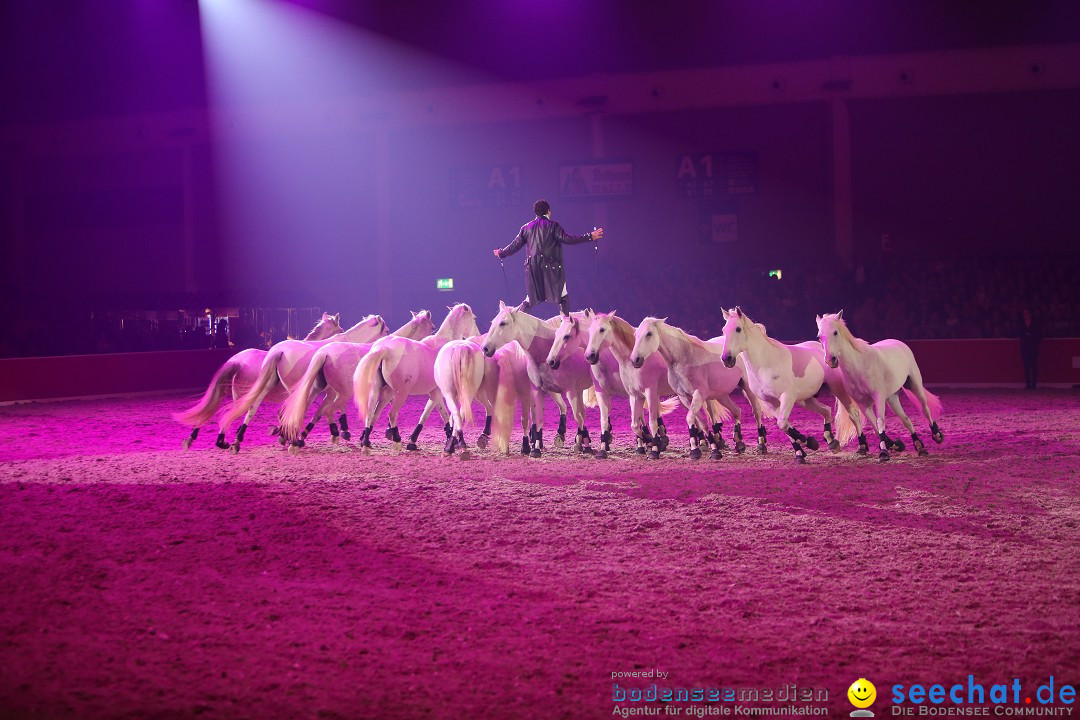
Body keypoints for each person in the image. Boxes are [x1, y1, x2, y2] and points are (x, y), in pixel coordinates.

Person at [493, 199, 604, 314]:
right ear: (549, 211)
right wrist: (589, 236)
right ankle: (565, 324)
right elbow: (567, 239)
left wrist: (501, 253)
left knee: (530, 298)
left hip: (532, 267)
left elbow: (514, 245)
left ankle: (517, 322)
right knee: (562, 295)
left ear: (535, 213)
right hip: (551, 266)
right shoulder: (553, 226)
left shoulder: (526, 228)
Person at [1018, 307, 1041, 389]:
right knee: (1026, 366)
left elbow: (1038, 334)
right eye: (1024, 313)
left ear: (1030, 314)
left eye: (1027, 313)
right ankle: (1028, 383)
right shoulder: (1021, 323)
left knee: (1034, 365)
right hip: (1025, 347)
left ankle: (1034, 384)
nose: (1025, 315)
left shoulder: (1035, 323)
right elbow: (1020, 335)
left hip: (1033, 346)